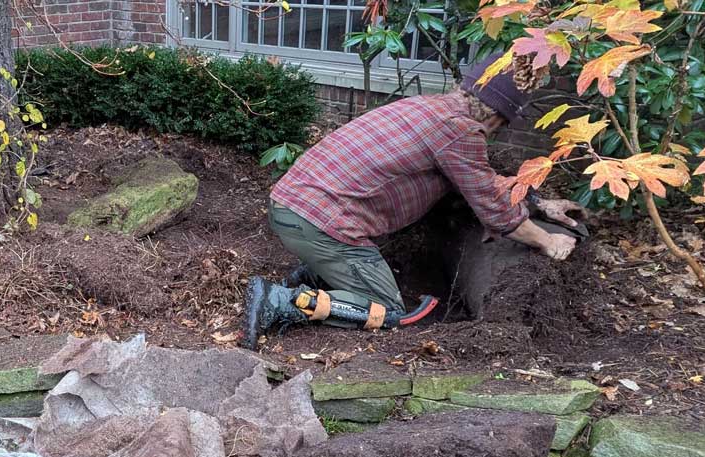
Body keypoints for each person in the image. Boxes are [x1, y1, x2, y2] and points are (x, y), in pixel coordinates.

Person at [241, 54, 586, 349]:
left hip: (292, 207)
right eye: (503, 125)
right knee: (385, 309)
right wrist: (547, 241)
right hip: (321, 224)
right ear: (496, 117)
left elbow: (480, 179)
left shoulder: (429, 108)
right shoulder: (461, 132)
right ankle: (282, 301)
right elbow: (495, 210)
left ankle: (316, 277)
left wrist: (538, 202)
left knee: (358, 274)